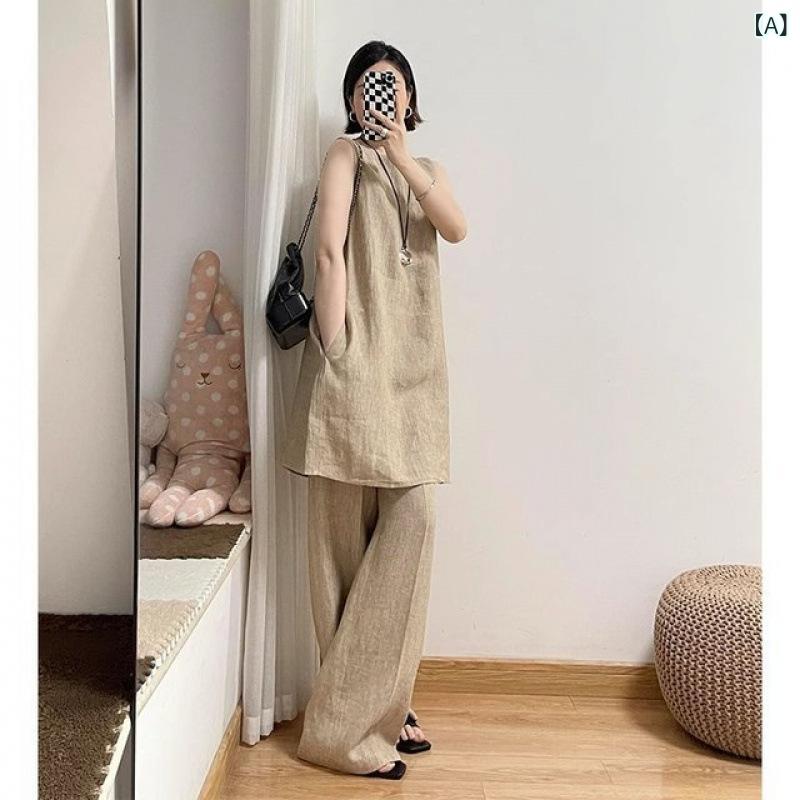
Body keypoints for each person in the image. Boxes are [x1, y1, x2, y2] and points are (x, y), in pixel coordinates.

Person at [280, 39, 467, 780]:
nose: (377, 94)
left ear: (410, 99)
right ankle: (353, 734)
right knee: (339, 555)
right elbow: (328, 254)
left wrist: (403, 157)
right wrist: (336, 347)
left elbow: (455, 226)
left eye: (390, 84)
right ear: (351, 100)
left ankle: (375, 710)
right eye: (365, 84)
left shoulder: (427, 171)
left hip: (413, 378)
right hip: (351, 370)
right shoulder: (342, 157)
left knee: (414, 522)